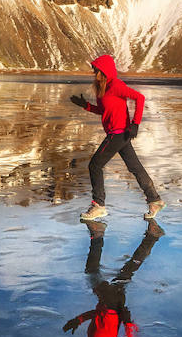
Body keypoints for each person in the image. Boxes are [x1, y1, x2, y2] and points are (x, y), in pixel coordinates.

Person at [69, 54, 163, 222]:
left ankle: (99, 205)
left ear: (104, 72)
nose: (94, 73)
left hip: (118, 133)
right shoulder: (103, 89)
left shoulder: (116, 85)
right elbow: (104, 111)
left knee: (95, 165)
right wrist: (86, 106)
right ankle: (154, 200)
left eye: (96, 70)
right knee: (135, 167)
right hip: (119, 134)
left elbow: (139, 98)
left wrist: (135, 123)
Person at [63, 220, 162, 337]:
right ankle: (98, 234)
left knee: (126, 271)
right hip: (113, 305)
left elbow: (96, 316)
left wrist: (79, 320)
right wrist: (128, 324)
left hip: (106, 304)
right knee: (92, 271)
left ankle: (152, 235)